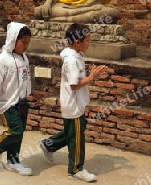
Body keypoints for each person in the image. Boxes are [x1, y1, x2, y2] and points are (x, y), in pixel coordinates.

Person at [39, 23, 108, 182]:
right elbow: (74, 85)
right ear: (78, 42)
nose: (89, 44)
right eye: (88, 40)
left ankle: (48, 145)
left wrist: (91, 74)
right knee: (77, 138)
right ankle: (76, 169)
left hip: (77, 103)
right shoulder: (71, 60)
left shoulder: (76, 55)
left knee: (74, 132)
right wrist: (92, 77)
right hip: (73, 104)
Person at [0, 22, 43, 175]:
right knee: (15, 130)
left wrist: (33, 92)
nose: (26, 46)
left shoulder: (24, 58)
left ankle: (14, 161)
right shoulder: (2, 60)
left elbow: (25, 78)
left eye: (28, 43)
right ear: (13, 40)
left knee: (20, 133)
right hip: (7, 103)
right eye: (23, 42)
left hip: (22, 102)